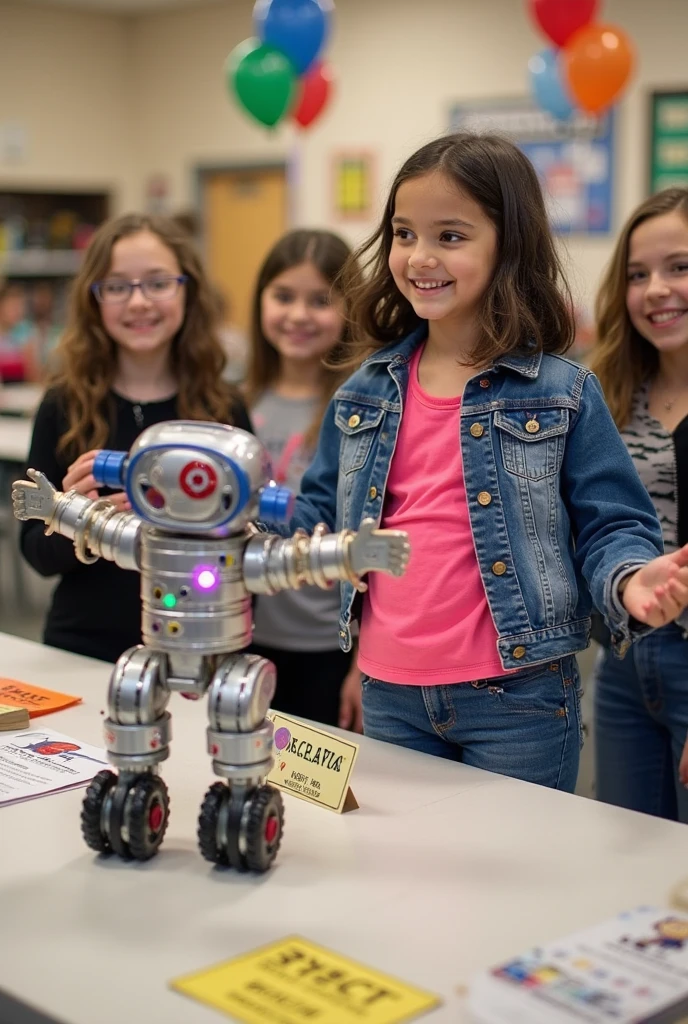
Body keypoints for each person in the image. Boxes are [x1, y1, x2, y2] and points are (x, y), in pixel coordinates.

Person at [287, 132, 688, 791]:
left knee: (515, 885)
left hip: (519, 696)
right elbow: (313, 512)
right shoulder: (363, 390)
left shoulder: (562, 393)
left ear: (509, 245)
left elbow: (611, 525)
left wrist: (630, 580)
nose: (419, 257)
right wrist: (220, 511)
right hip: (391, 690)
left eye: (450, 236)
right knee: (403, 883)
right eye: (404, 232)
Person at [20, 212, 252, 664]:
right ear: (95, 300)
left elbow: (247, 543)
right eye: (118, 286)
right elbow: (36, 555)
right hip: (81, 648)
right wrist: (72, 517)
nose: (139, 301)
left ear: (188, 290)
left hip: (197, 649)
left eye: (158, 282)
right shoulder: (62, 405)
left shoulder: (224, 410)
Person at [591, 187, 688, 821]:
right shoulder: (612, 393)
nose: (656, 289)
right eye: (637, 274)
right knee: (627, 866)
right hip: (623, 661)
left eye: (679, 267)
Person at [246, 229, 362, 731]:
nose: (298, 315)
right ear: (261, 302)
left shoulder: (361, 409)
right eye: (284, 296)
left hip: (330, 646)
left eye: (320, 301)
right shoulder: (236, 402)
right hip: (245, 638)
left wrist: (363, 663)